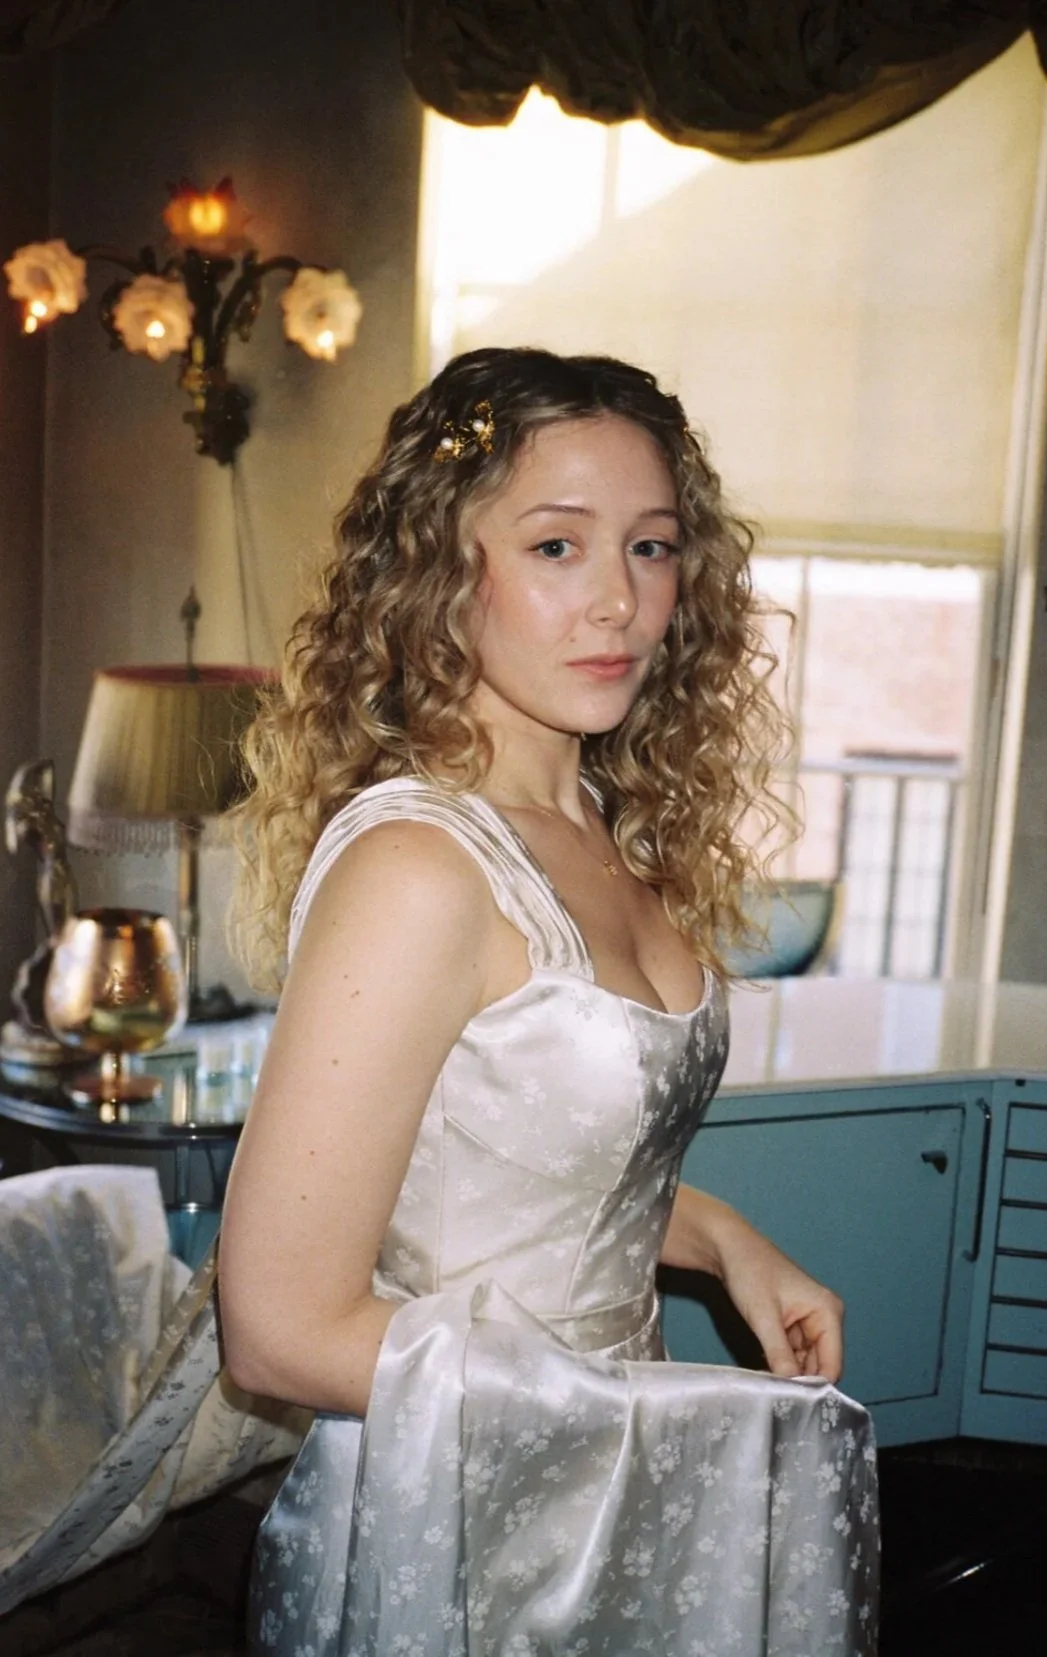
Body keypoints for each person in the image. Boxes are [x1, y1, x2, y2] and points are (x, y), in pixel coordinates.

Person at [219, 347, 879, 1656]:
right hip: (460, 1508)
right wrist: (638, 1417)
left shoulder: (601, 825)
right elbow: (280, 1327)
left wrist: (723, 1242)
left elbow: (527, 1152)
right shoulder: (420, 867)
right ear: (431, 570)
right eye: (555, 547)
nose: (621, 606)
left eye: (649, 548)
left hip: (604, 1470)